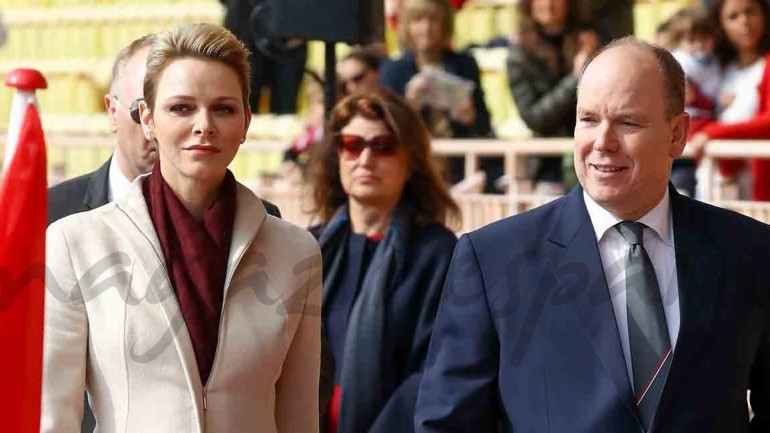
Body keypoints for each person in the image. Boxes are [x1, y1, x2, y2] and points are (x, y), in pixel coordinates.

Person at [415, 37, 770, 432]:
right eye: (588, 120)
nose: (603, 142)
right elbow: (448, 423)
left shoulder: (750, 251)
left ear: (677, 134)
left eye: (627, 122)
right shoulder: (493, 260)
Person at [42, 23, 321, 433]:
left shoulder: (296, 250)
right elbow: (55, 417)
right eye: (182, 108)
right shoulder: (76, 242)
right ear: (148, 118)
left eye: (223, 109)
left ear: (245, 122)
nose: (203, 124)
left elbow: (299, 417)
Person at [309, 90, 458, 433]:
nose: (365, 159)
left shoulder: (437, 253)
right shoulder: (309, 246)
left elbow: (434, 370)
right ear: (338, 156)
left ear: (410, 163)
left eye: (383, 146)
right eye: (352, 144)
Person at [379, 0, 496, 189]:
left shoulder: (464, 64)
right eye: (418, 20)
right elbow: (385, 128)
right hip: (413, 169)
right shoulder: (393, 69)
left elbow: (485, 125)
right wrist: (409, 106)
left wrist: (470, 117)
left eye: (433, 20)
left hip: (459, 168)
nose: (426, 28)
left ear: (445, 24)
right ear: (407, 25)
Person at [506, 0, 598, 193]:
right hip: (548, 168)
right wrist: (574, 78)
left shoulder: (589, 41)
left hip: (595, 157)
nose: (548, 4)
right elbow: (535, 117)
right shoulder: (520, 53)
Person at [688, 0, 770, 200]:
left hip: (757, 187)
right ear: (721, 25)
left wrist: (712, 133)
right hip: (716, 179)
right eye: (733, 16)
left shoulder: (766, 64)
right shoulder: (719, 68)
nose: (744, 21)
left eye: (750, 12)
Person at [668, 4, 722, 197]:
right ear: (679, 40)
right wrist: (714, 103)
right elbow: (688, 94)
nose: (698, 45)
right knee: (681, 179)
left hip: (706, 126)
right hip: (683, 126)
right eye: (691, 39)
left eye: (704, 39)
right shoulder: (678, 60)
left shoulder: (715, 64)